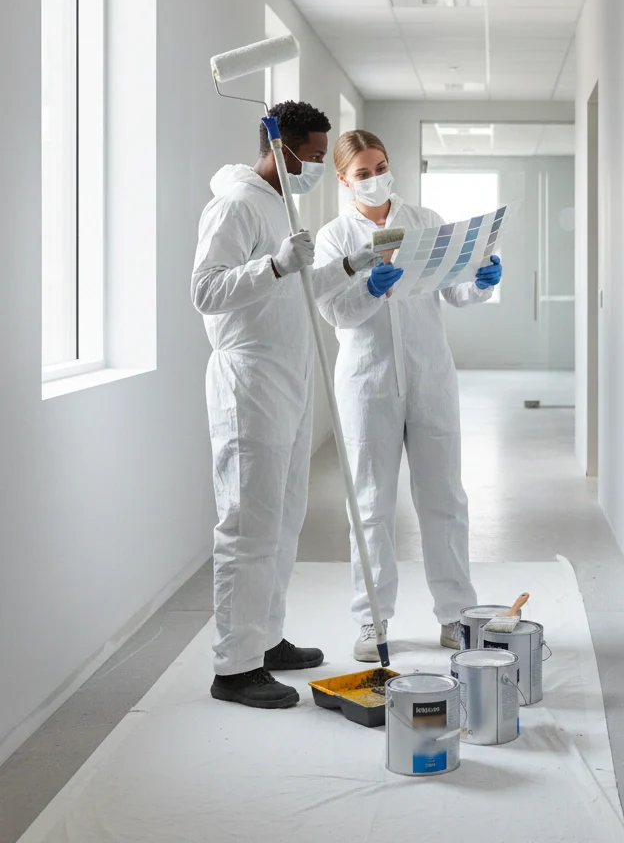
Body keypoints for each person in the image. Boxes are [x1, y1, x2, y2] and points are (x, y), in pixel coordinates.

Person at [191, 101, 377, 708]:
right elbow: (206, 289)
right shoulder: (237, 204)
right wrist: (272, 264)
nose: (320, 168)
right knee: (248, 523)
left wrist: (348, 265)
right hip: (249, 379)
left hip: (289, 376)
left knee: (284, 515)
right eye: (316, 157)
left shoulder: (282, 204)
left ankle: (264, 640)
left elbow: (299, 285)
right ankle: (233, 667)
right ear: (282, 147)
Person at [313, 130, 503, 662]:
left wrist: (482, 280)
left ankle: (457, 615)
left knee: (445, 497)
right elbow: (335, 313)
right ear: (344, 179)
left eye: (381, 166)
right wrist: (370, 288)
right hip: (366, 383)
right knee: (370, 504)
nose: (375, 178)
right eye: (363, 172)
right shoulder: (333, 238)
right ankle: (372, 621)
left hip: (430, 376)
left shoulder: (424, 222)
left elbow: (456, 291)